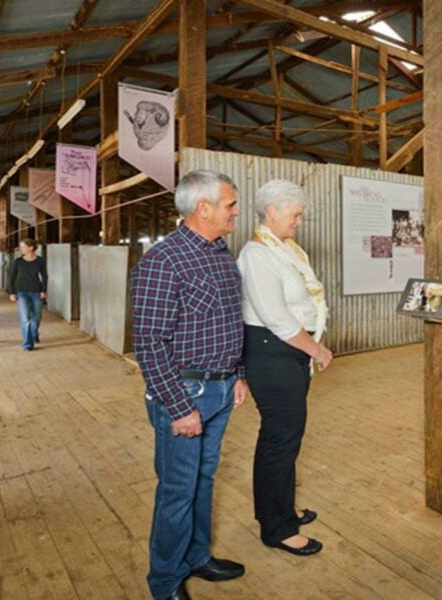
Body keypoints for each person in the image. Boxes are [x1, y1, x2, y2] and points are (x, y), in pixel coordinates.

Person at [131, 170, 249, 600]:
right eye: (230, 204)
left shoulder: (219, 252)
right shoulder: (163, 261)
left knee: (203, 479)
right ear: (204, 208)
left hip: (219, 388)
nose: (236, 211)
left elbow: (227, 320)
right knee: (178, 490)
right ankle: (165, 582)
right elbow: (148, 343)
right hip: (184, 394)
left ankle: (196, 556)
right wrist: (179, 408)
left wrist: (237, 374)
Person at [237, 179, 332, 557]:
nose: (299, 222)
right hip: (272, 352)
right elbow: (275, 316)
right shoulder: (256, 255)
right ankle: (276, 527)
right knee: (280, 440)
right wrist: (317, 349)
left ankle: (283, 506)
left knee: (288, 437)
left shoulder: (284, 248)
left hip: (289, 353)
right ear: (272, 211)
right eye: (295, 214)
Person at [8, 239, 47, 351]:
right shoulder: (18, 262)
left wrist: (44, 290)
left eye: (23, 247)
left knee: (36, 318)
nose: (21, 249)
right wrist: (12, 292)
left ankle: (33, 334)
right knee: (25, 318)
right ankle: (27, 343)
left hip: (36, 291)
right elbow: (11, 277)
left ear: (31, 248)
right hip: (22, 292)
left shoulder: (40, 261)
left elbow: (44, 276)